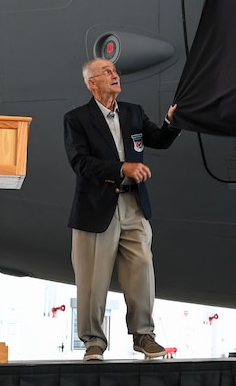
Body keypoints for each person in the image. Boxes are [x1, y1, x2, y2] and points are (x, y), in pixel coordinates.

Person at [64, 58, 181, 361]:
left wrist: (172, 122)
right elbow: (80, 164)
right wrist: (121, 168)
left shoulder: (133, 113)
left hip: (134, 205)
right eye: (107, 72)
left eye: (115, 71)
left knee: (142, 272)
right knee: (92, 280)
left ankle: (144, 336)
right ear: (92, 83)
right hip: (95, 207)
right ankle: (93, 342)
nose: (115, 75)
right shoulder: (76, 119)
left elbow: (159, 140)